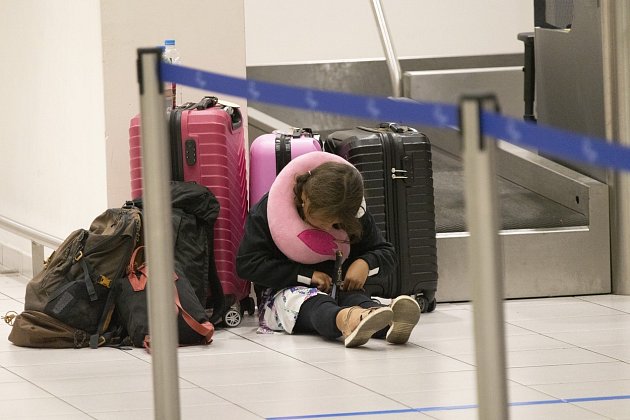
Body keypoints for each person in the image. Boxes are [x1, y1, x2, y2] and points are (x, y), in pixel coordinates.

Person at [236, 153, 421, 348]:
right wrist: (306, 276)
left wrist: (366, 263)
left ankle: (382, 319)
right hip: (282, 294)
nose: (327, 227)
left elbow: (387, 253)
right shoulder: (270, 211)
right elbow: (248, 264)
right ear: (304, 198)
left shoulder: (352, 212)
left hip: (338, 287)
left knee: (356, 298)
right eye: (321, 219)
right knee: (314, 304)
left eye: (334, 223)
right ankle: (348, 321)